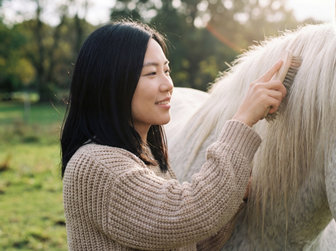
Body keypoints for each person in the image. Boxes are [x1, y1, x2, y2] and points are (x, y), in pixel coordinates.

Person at [61, 21, 287, 250]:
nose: (168, 84)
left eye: (166, 70)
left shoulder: (145, 158)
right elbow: (187, 214)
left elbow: (184, 242)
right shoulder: (96, 165)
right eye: (151, 73)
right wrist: (242, 120)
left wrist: (236, 195)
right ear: (111, 82)